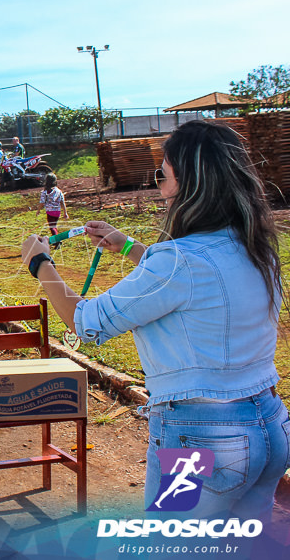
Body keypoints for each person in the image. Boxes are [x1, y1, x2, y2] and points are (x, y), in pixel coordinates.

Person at [21, 120, 289, 522]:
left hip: (202, 435)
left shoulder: (177, 261)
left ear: (187, 184)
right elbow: (200, 280)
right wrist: (129, 247)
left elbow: (87, 322)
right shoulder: (255, 247)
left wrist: (41, 265)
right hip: (270, 427)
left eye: (162, 177)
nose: (160, 188)